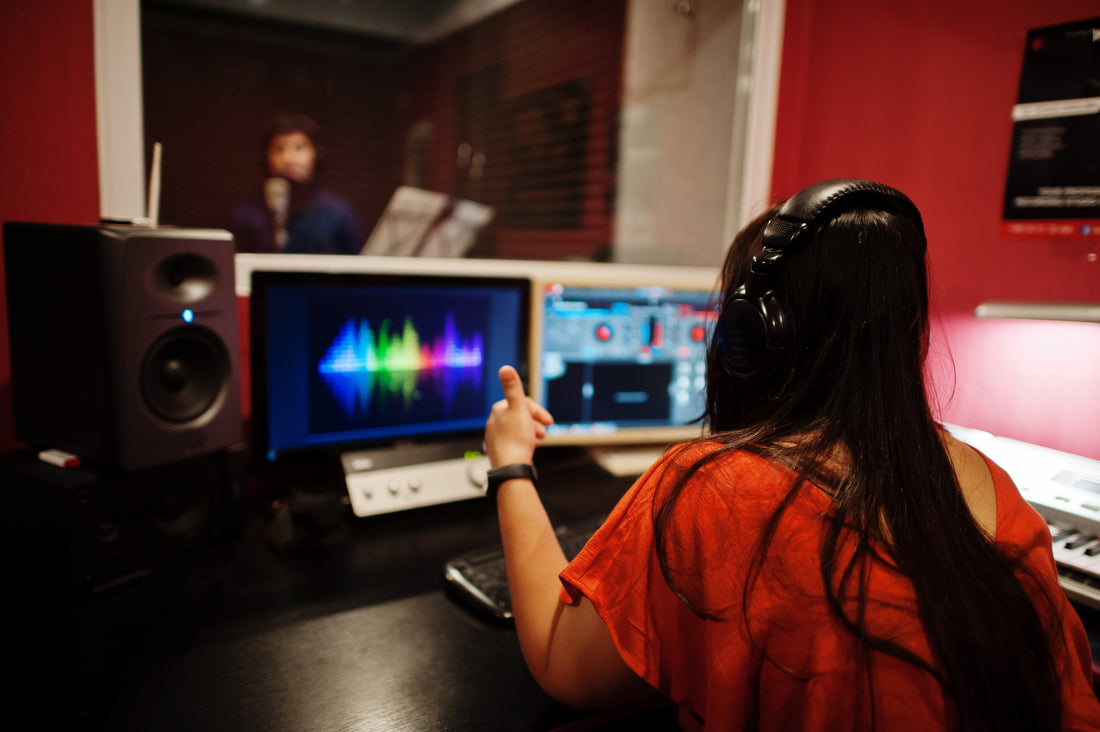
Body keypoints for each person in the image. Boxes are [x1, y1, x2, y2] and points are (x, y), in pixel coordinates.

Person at [483, 178, 1100, 730]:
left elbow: (565, 665)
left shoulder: (712, 489)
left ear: (750, 335)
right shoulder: (999, 491)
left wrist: (512, 464)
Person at [229, 113, 364, 254]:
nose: (289, 158)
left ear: (316, 153)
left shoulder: (339, 211)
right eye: (279, 149)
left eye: (298, 147)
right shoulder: (247, 213)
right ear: (266, 157)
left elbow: (359, 262)